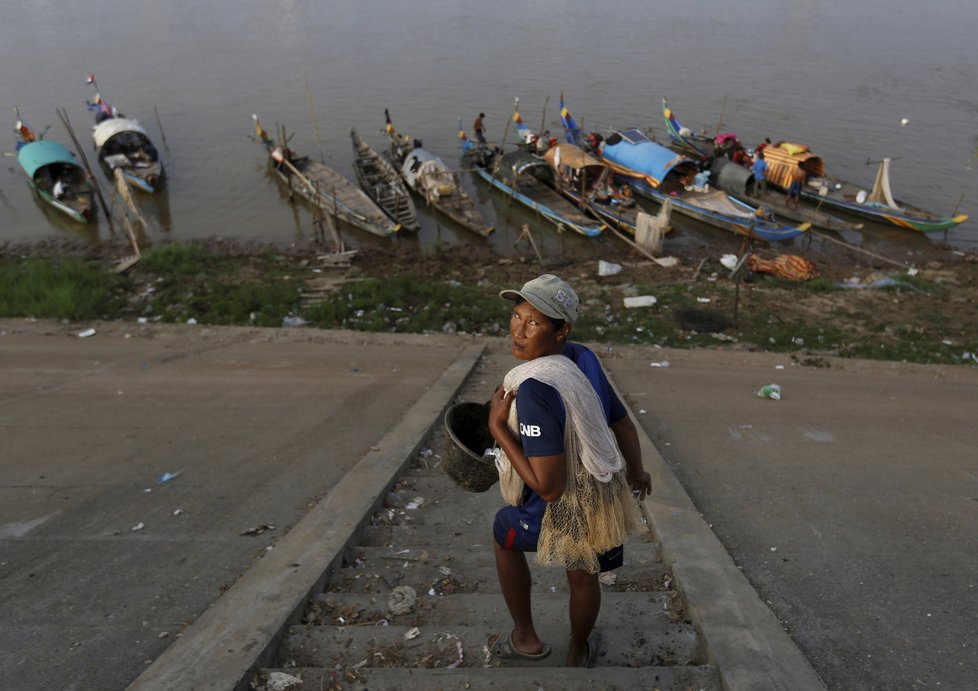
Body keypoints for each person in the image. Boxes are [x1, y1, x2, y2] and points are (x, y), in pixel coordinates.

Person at [487, 274, 652, 668]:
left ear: (562, 331)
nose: (519, 331)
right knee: (584, 574)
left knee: (501, 533)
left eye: (535, 323)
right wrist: (636, 474)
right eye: (517, 316)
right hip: (600, 494)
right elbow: (622, 425)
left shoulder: (535, 389)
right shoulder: (584, 359)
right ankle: (578, 649)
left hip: (556, 506)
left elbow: (548, 487)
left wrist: (496, 427)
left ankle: (524, 637)